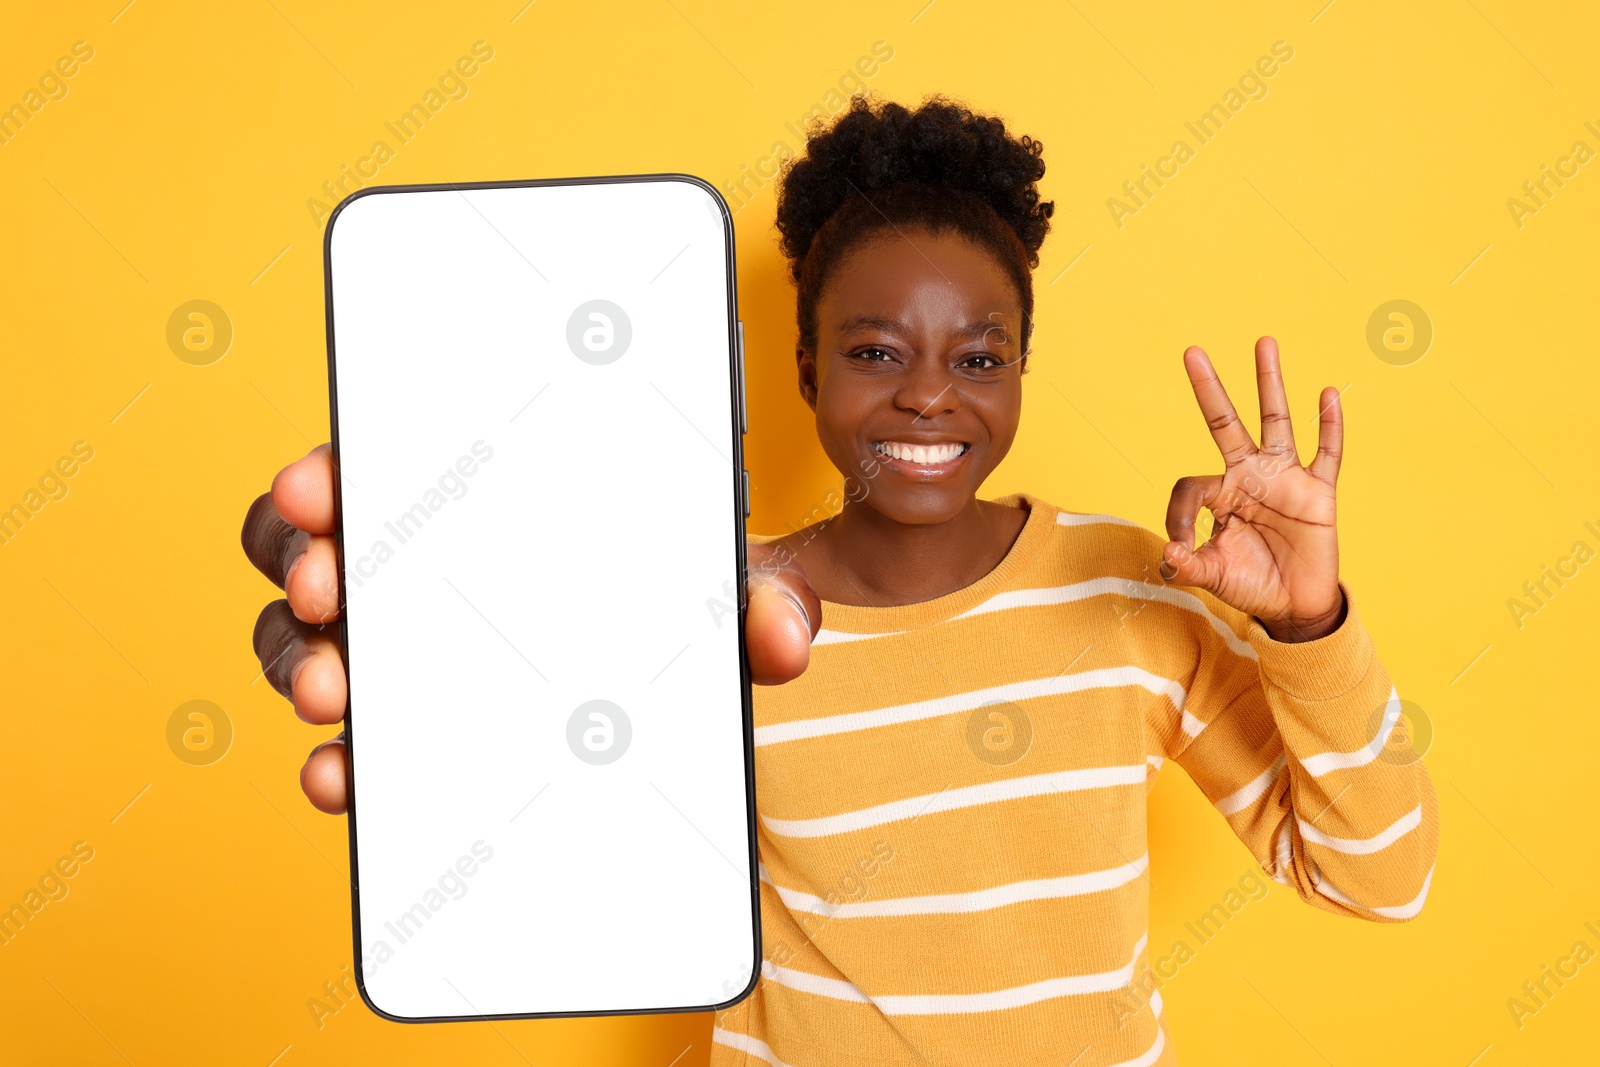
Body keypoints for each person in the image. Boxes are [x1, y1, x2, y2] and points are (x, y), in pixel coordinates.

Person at [242, 95, 1439, 1066]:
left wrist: (1309, 624)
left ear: (1022, 371)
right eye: (874, 352)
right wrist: (438, 672)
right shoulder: (713, 611)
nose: (930, 394)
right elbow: (546, 843)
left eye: (979, 356)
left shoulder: (1134, 588)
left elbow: (1375, 880)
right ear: (806, 368)